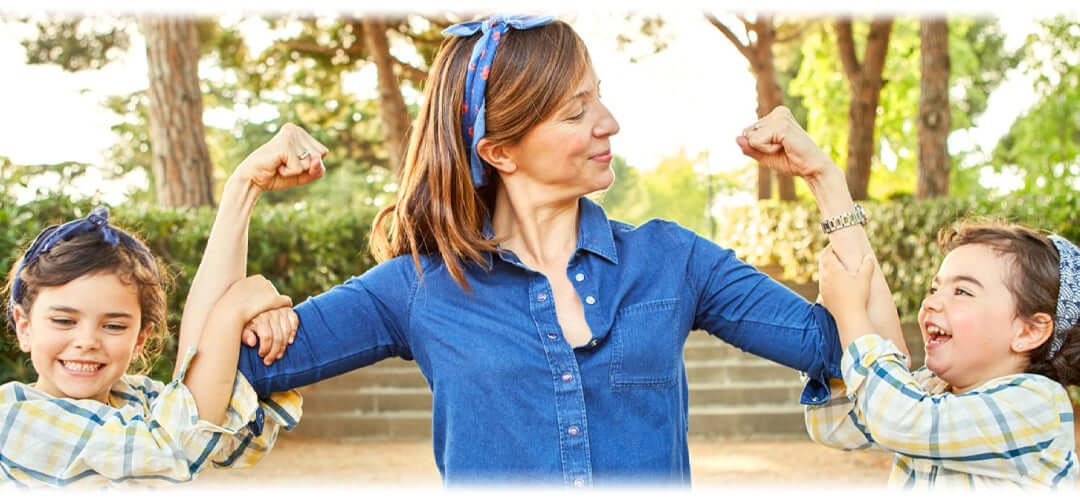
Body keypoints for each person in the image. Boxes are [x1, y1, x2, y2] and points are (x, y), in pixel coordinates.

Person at [229, 15, 908, 486]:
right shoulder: (415, 289)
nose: (608, 124)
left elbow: (869, 360)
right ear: (499, 151)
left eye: (601, 101)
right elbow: (215, 385)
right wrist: (243, 200)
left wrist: (826, 180)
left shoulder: (673, 261)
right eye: (576, 112)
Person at [738, 106, 1078, 489]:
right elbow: (838, 425)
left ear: (1030, 331)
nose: (932, 302)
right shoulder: (932, 389)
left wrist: (850, 315)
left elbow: (901, 418)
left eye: (962, 291)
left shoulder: (1036, 406)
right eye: (935, 288)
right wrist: (823, 177)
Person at [0, 205, 302, 487]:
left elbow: (236, 442)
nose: (87, 342)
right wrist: (230, 314)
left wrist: (260, 335)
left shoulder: (139, 397)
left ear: (140, 339)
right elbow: (171, 448)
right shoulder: (11, 418)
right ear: (25, 327)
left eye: (114, 326)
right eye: (64, 321)